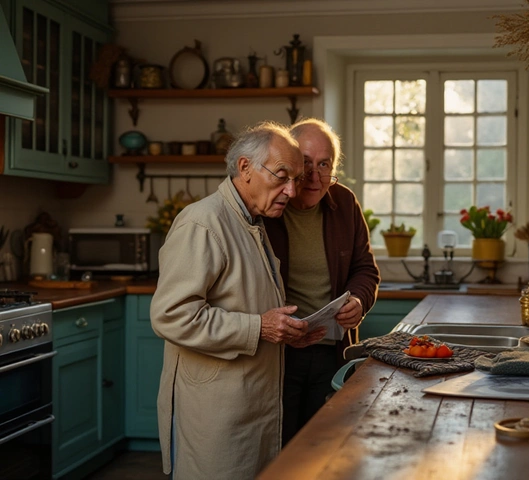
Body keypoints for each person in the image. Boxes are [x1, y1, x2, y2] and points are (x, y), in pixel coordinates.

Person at [150, 121, 327, 480]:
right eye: (281, 176)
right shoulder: (203, 222)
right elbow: (171, 316)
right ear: (245, 168)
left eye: (295, 179)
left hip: (249, 404)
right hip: (217, 412)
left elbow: (249, 306)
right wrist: (259, 327)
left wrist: (286, 332)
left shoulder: (252, 221)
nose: (291, 191)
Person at [263, 118, 380, 446]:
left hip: (333, 350)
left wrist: (358, 300)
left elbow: (365, 270)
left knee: (327, 446)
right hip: (278, 355)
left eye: (324, 164)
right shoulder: (266, 206)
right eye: (306, 163)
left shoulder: (344, 203)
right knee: (281, 447)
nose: (314, 176)